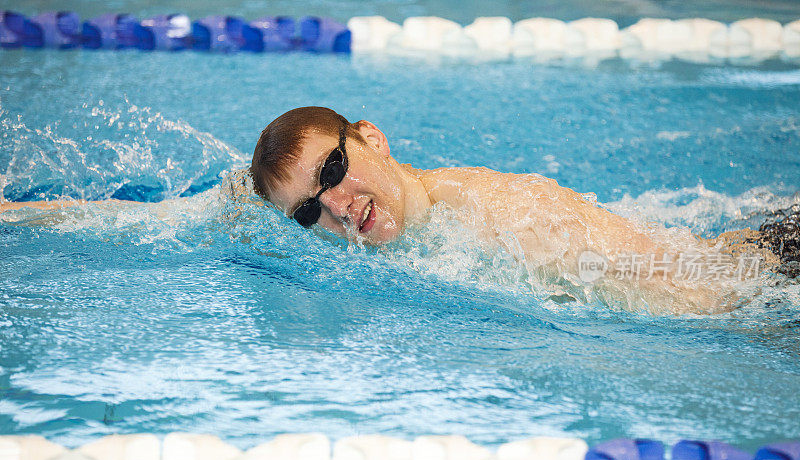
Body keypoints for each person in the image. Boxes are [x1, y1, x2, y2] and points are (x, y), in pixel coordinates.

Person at [2, 106, 797, 314]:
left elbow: (697, 294)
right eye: (310, 210)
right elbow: (150, 222)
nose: (340, 207)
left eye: (337, 169)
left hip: (759, 269)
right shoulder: (364, 226)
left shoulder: (497, 219)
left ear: (373, 137)